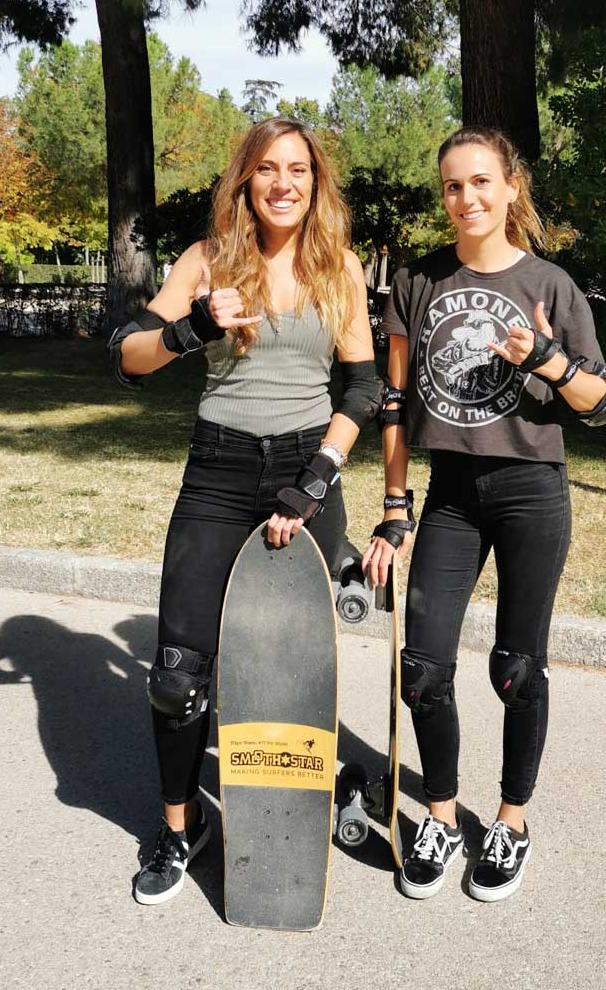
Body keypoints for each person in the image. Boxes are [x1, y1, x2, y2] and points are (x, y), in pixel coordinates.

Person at [108, 117, 379, 906]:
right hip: (219, 473)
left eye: (298, 169)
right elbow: (128, 358)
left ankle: (300, 799)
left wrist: (316, 481)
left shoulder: (340, 270)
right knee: (177, 676)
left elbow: (362, 390)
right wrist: (194, 327)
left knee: (292, 665)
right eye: (267, 169)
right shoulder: (207, 262)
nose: (284, 183)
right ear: (246, 182)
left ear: (316, 183)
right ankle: (182, 823)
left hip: (307, 469)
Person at [362, 126, 606, 903]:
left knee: (515, 667)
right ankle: (440, 817)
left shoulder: (552, 285)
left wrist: (545, 360)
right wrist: (394, 507)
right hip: (451, 495)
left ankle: (510, 822)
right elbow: (397, 403)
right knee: (423, 669)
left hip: (531, 492)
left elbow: (604, 404)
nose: (466, 199)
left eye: (481, 182)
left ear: (511, 188)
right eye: (452, 186)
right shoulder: (416, 281)